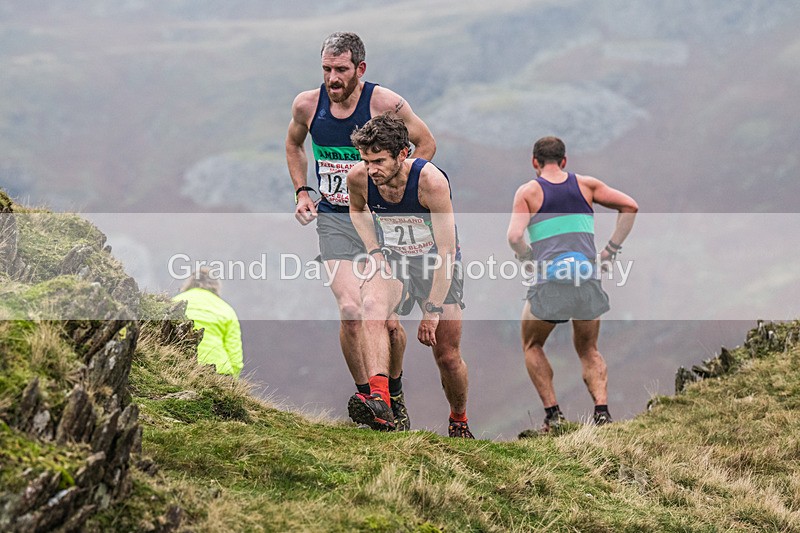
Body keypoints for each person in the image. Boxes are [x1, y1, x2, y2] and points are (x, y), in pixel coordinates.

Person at [285, 32, 436, 430]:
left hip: (380, 224)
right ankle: (372, 402)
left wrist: (393, 191)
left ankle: (393, 393)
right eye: (326, 69)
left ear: (360, 70)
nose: (332, 78)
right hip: (336, 220)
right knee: (351, 311)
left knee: (386, 323)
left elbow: (426, 143)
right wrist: (303, 191)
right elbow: (293, 145)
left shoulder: (384, 104)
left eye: (341, 70)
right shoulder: (307, 105)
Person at [347, 113, 473, 438]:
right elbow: (357, 209)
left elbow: (446, 251)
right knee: (373, 308)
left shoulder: (431, 183)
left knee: (447, 356)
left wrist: (431, 310)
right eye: (365, 160)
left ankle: (459, 420)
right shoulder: (360, 178)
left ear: (403, 154)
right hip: (394, 260)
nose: (370, 169)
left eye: (378, 160)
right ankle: (382, 399)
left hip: (436, 265)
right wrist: (375, 250)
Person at [506, 136, 638, 434]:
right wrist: (611, 251)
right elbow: (630, 206)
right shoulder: (587, 185)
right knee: (589, 348)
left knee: (532, 344)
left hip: (550, 282)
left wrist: (528, 258)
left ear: (534, 163)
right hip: (586, 279)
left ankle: (554, 416)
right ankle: (602, 413)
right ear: (564, 161)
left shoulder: (529, 192)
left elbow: (514, 237)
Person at [172, 267, 244, 378]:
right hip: (220, 372)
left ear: (189, 283)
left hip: (180, 366)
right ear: (216, 287)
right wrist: (233, 381)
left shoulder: (175, 302)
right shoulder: (226, 310)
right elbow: (235, 355)